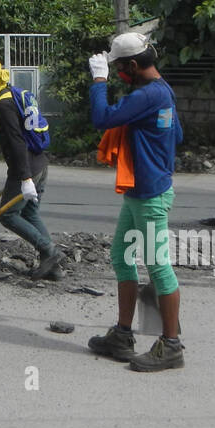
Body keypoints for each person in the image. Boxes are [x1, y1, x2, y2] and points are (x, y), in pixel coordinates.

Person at [85, 32, 185, 372]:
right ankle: (123, 335)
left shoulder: (148, 95)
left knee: (158, 266)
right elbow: (179, 135)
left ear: (131, 65)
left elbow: (102, 118)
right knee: (121, 256)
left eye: (118, 69)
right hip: (140, 192)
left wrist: (99, 80)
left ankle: (171, 346)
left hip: (149, 195)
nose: (118, 74)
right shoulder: (163, 91)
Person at [0, 55, 63, 279]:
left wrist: (24, 178)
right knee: (30, 213)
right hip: (40, 162)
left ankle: (50, 251)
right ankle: (53, 268)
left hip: (27, 167)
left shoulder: (3, 104)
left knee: (8, 215)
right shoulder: (11, 92)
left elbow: (16, 140)